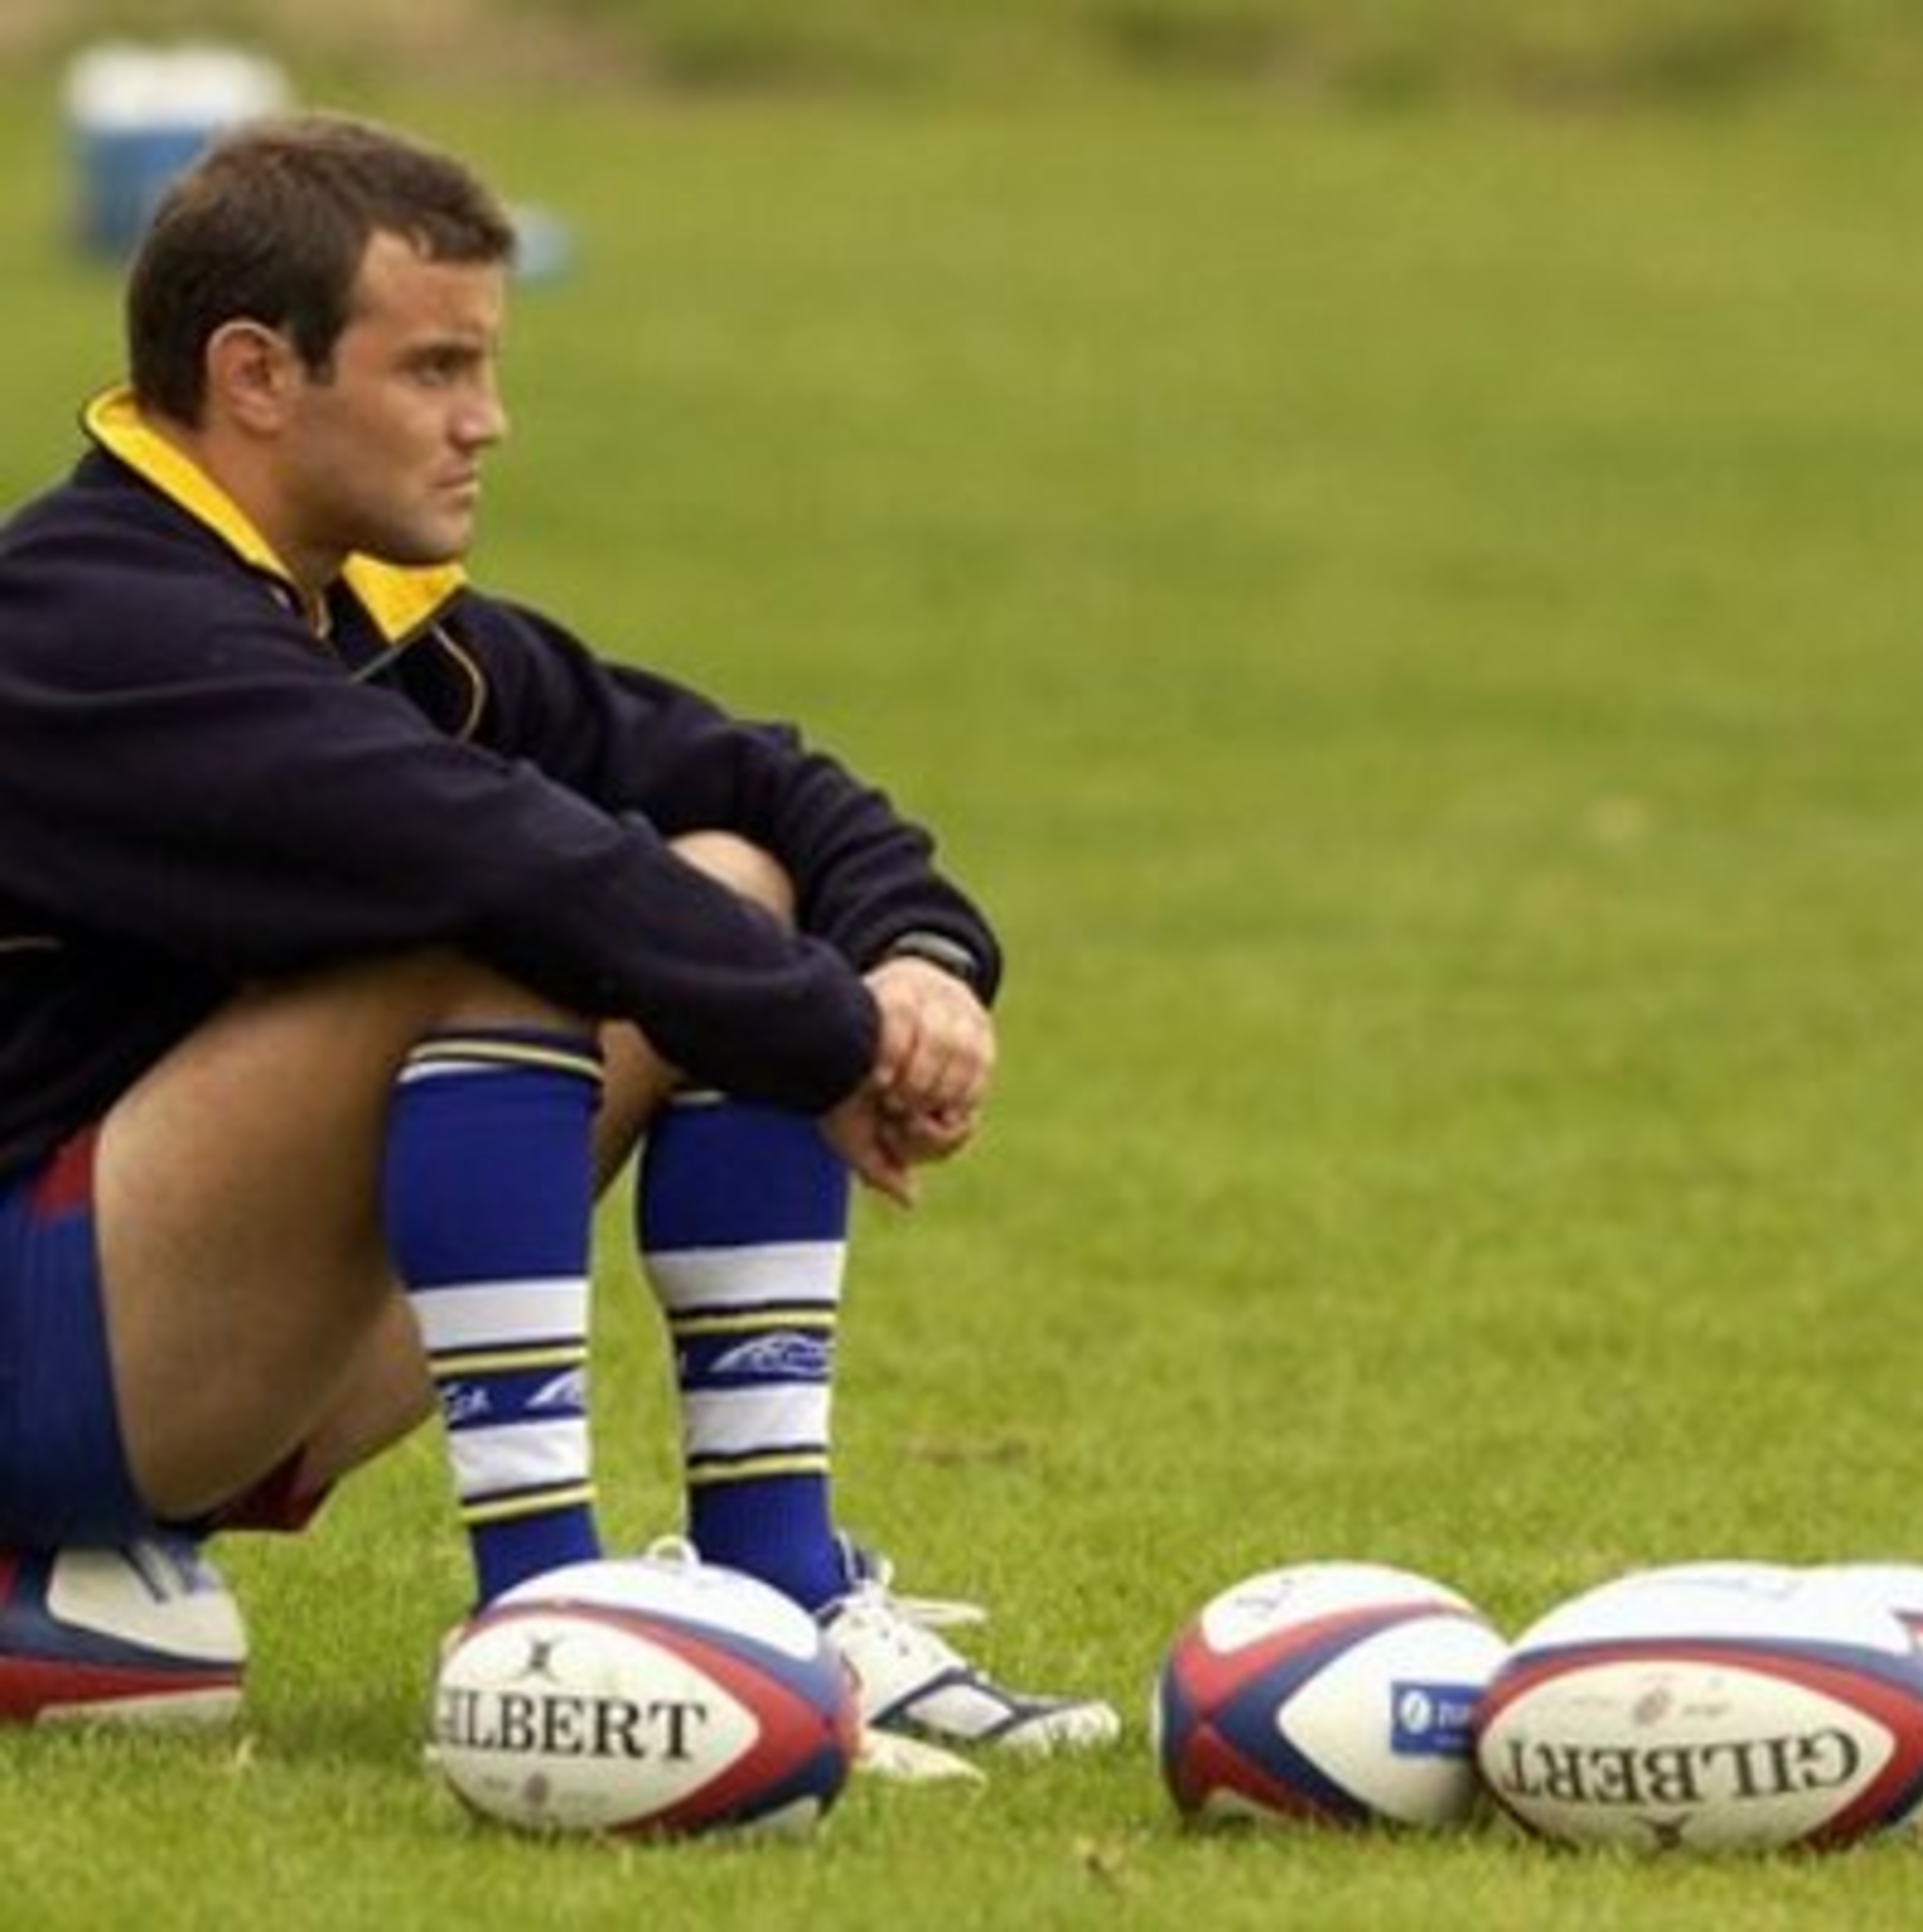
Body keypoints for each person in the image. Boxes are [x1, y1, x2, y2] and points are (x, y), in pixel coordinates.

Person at [0, 112, 1117, 1759]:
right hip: (45, 1345)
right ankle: (548, 1624)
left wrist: (917, 966)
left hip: (175, 1337)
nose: (489, 421)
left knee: (727, 877)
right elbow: (490, 858)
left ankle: (781, 1584)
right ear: (256, 374)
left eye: (487, 366)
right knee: (516, 933)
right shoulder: (87, 618)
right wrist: (829, 1040)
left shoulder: (378, 619)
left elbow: (760, 779)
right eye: (435, 368)